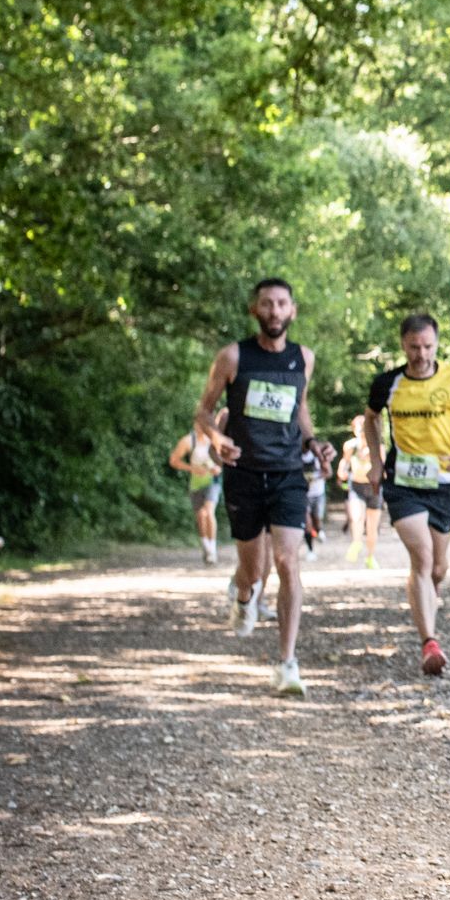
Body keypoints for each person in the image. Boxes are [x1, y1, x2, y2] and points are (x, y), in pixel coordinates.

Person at [196, 278, 336, 696]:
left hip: (287, 474)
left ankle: (287, 664)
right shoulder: (233, 356)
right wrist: (217, 438)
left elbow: (300, 408)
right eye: (267, 304)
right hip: (243, 473)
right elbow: (203, 411)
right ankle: (243, 595)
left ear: (292, 310)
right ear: (254, 310)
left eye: (281, 304)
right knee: (253, 570)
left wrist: (313, 443)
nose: (274, 311)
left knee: (287, 561)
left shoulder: (303, 358)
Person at [361, 313, 450, 676]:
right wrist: (376, 462)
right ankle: (429, 643)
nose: (421, 354)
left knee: (438, 568)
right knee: (422, 558)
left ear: (437, 344)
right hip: (402, 482)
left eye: (428, 346)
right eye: (414, 347)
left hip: (443, 484)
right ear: (403, 345)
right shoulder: (388, 383)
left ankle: (427, 594)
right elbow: (370, 419)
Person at [166, 427, 223, 564]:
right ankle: (206, 546)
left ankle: (212, 549)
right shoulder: (188, 441)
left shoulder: (215, 440)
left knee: (209, 511)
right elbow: (174, 460)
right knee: (201, 516)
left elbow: (226, 460)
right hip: (196, 484)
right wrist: (192, 468)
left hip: (213, 481)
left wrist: (218, 468)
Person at [339, 416, 382, 568]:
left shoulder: (377, 446)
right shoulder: (350, 446)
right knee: (357, 517)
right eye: (359, 429)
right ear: (354, 430)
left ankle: (370, 556)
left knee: (372, 526)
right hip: (356, 486)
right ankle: (356, 542)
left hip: (374, 487)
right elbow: (345, 461)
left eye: (365, 428)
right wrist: (341, 470)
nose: (362, 432)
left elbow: (382, 465)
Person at [302, 448, 328, 561]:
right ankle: (310, 550)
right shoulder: (294, 454)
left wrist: (315, 477)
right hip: (303, 495)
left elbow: (328, 472)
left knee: (317, 520)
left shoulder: (318, 454)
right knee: (307, 523)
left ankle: (319, 530)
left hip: (318, 493)